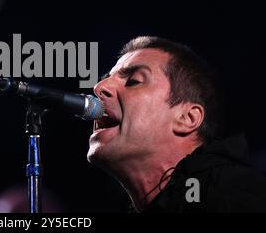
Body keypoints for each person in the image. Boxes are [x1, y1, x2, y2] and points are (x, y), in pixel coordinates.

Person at [87, 36, 266, 212]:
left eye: (134, 81)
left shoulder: (232, 195)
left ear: (187, 118)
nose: (99, 87)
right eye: (107, 78)